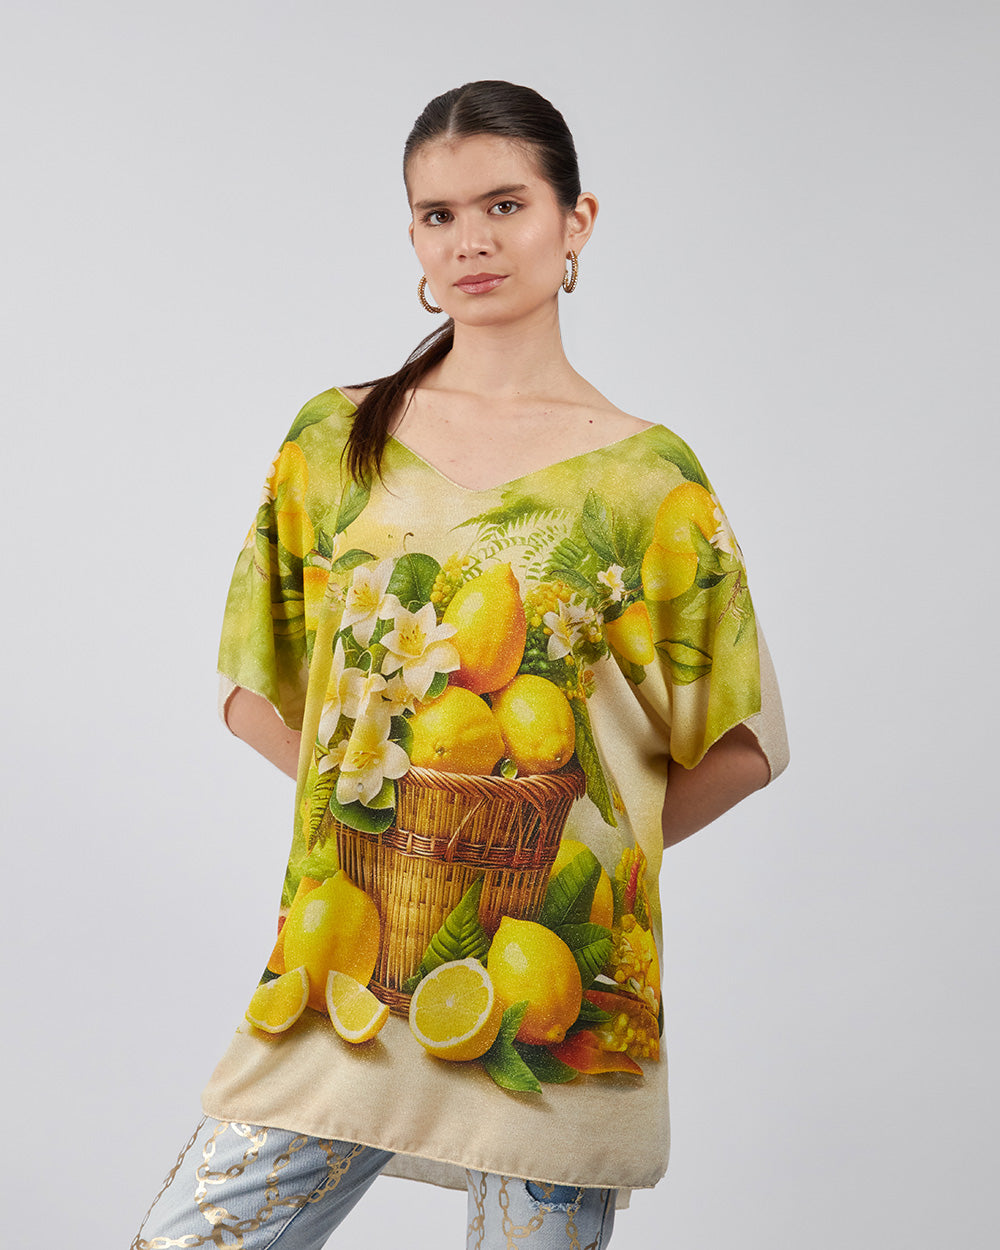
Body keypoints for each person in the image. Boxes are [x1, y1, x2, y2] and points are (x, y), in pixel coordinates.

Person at [131, 79, 788, 1250]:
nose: (471, 239)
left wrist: (541, 852)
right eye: (438, 214)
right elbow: (253, 694)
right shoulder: (334, 439)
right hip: (337, 982)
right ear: (414, 241)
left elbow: (738, 746)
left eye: (503, 204)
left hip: (554, 1005)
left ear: (575, 221)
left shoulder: (647, 480)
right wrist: (392, 830)